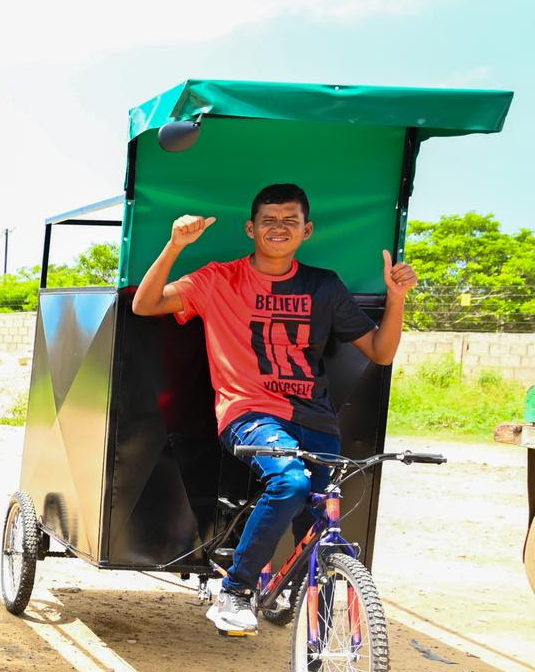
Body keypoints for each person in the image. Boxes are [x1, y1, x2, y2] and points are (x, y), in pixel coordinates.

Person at [130, 183, 418, 635]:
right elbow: (145, 305)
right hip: (250, 413)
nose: (278, 227)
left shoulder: (324, 286)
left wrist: (397, 297)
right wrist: (175, 245)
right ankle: (236, 591)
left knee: (319, 533)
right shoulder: (218, 279)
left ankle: (315, 668)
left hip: (317, 420)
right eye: (269, 219)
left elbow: (380, 352)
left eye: (290, 220)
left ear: (308, 229)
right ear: (251, 228)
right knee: (290, 481)